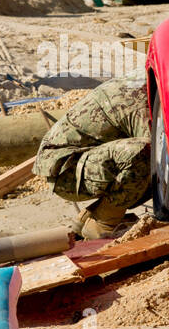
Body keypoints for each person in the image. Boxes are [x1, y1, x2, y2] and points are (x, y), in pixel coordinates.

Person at [34, 75, 151, 239]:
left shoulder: (144, 82)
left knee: (147, 162)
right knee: (146, 152)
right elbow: (161, 160)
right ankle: (104, 226)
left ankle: (89, 217)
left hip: (78, 161)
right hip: (67, 170)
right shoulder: (139, 100)